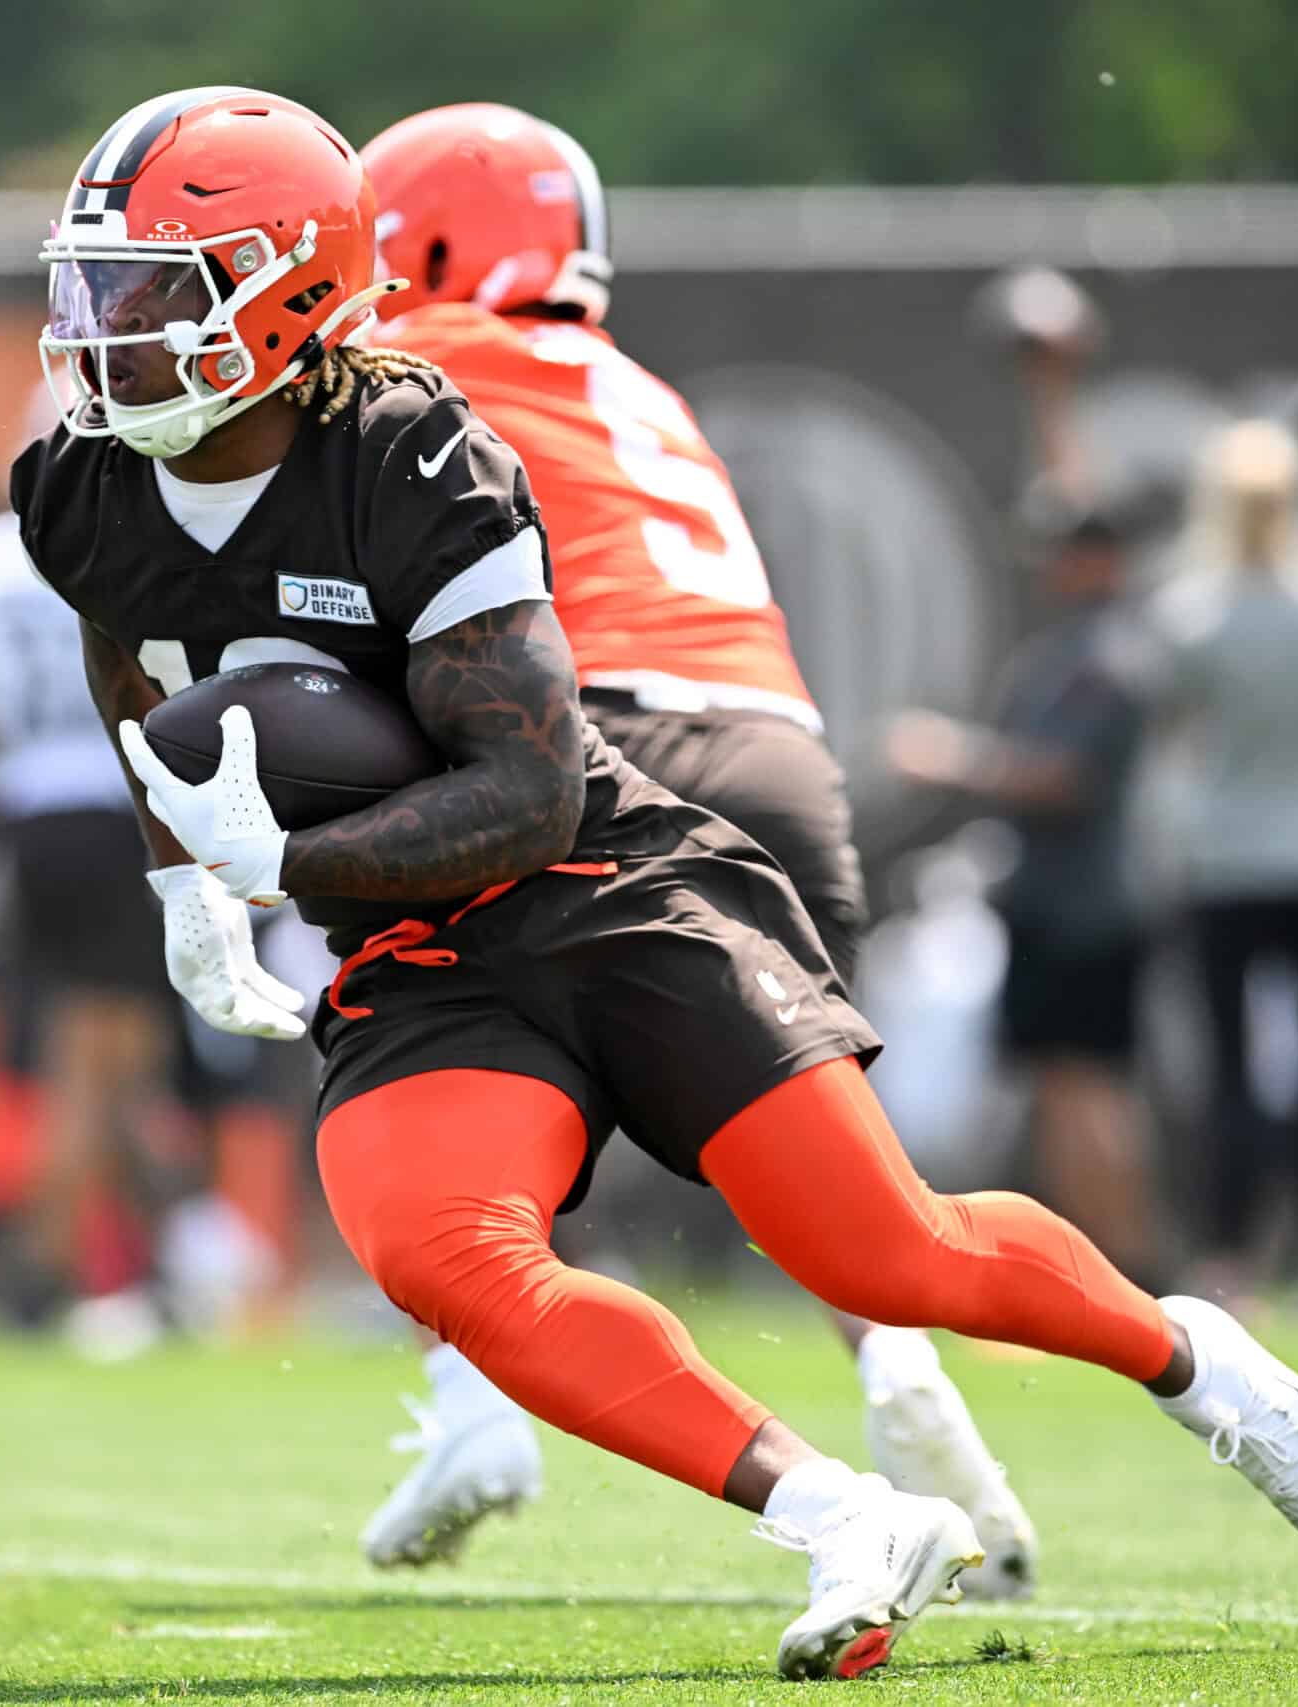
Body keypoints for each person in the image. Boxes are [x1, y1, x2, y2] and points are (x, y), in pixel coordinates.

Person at [18, 86, 1298, 1681]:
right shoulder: (80, 481)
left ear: (298, 287)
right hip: (415, 941)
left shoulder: (411, 450)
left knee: (887, 1252)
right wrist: (184, 870)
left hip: (605, 884)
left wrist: (282, 862)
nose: (110, 329)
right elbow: (130, 645)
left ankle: (1187, 1354)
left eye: (158, 288)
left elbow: (527, 789)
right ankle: (841, 1515)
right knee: (440, 1251)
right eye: (96, 285)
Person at [347, 101, 1036, 1596]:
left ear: (426, 239)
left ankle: (473, 1399)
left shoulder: (420, 367)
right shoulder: (636, 384)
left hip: (603, 743)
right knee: (814, 1152)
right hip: (784, 751)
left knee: (405, 1020)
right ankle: (903, 1361)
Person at [886, 304, 1168, 1286]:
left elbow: (1064, 777)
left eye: (1065, 547)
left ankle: (1133, 1269)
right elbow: (1069, 493)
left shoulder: (1111, 651)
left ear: (1101, 558)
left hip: (1086, 901)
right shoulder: (1082, 638)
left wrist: (951, 759)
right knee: (1057, 1086)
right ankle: (1089, 1276)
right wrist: (1046, 392)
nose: (1047, 559)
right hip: (1058, 900)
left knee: (1088, 1089)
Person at [0, 395, 190, 1353]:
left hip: (29, 820)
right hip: (117, 815)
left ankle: (156, 1263)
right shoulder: (136, 538)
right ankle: (45, 1270)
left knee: (129, 1058)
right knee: (94, 1059)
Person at [1147, 421, 1298, 1327]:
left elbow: (1181, 735)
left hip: (1224, 859)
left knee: (1230, 1069)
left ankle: (1229, 1267)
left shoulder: (1190, 614)